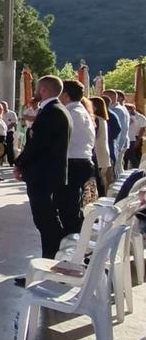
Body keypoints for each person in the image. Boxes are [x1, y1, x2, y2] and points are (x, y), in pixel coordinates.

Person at [14, 75, 71, 264]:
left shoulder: (51, 112)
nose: (36, 92)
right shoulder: (58, 110)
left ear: (44, 90)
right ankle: (52, 260)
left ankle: (52, 262)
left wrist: (19, 163)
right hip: (47, 173)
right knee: (47, 220)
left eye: (38, 88)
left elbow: (37, 144)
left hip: (42, 175)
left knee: (45, 220)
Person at [59, 80, 95, 236]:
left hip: (72, 163)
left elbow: (59, 140)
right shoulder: (83, 111)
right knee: (75, 205)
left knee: (69, 208)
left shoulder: (69, 113)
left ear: (65, 95)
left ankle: (72, 241)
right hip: (83, 161)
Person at [90, 96, 113, 197]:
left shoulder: (96, 119)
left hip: (98, 154)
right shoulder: (102, 119)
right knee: (101, 181)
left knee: (98, 181)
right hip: (103, 154)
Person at [124, 103, 145, 169]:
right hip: (129, 137)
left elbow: (142, 129)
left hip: (135, 137)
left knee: (134, 154)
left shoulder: (139, 117)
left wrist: (138, 139)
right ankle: (126, 168)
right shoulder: (128, 116)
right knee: (127, 155)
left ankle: (137, 168)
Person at [1, 101, 18, 166]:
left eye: (5, 106)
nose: (4, 107)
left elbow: (14, 122)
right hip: (1, 133)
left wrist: (6, 128)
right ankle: (0, 161)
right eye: (2, 106)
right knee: (1, 147)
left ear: (7, 106)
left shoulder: (12, 113)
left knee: (10, 147)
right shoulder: (0, 113)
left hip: (9, 132)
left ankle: (11, 162)